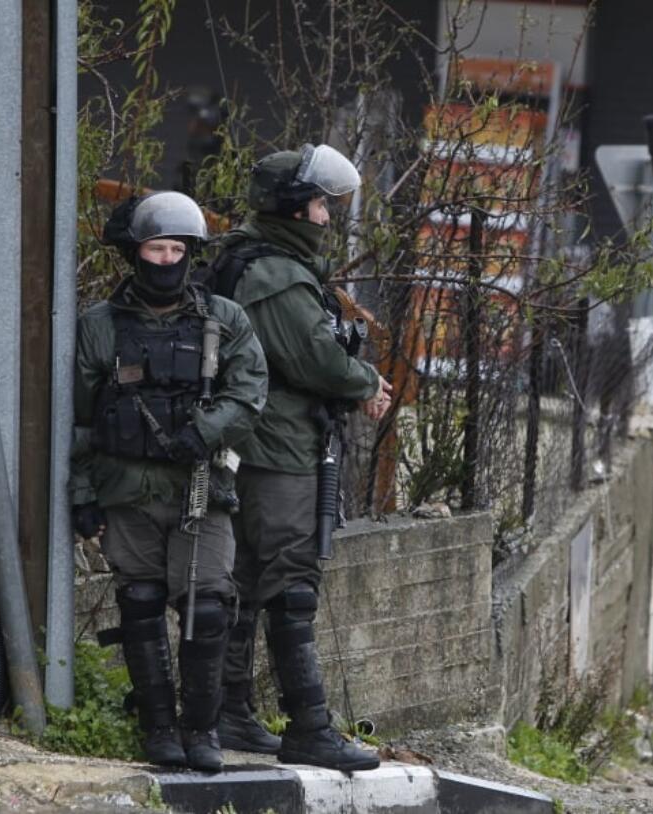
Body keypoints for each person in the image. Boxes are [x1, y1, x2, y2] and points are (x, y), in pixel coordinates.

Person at [70, 191, 268, 771]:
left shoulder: (223, 320)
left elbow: (250, 393)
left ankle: (201, 730)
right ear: (136, 253)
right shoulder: (100, 327)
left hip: (200, 488)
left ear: (191, 253)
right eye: (156, 248)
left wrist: (205, 432)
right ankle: (158, 727)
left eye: (176, 248)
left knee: (209, 607)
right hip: (127, 490)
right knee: (140, 601)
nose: (166, 259)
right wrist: (82, 495)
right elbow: (79, 418)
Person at [214, 144, 391, 771]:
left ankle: (228, 709)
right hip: (276, 445)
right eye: (319, 203)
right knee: (290, 579)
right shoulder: (276, 274)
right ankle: (309, 725)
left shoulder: (252, 258)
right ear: (293, 208)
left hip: (258, 441)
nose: (325, 214)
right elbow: (314, 359)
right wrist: (364, 381)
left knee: (249, 580)